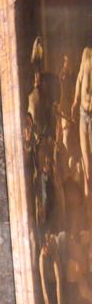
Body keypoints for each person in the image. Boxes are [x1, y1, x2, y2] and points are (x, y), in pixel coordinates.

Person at [72, 46, 92, 197]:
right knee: (85, 156)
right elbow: (79, 81)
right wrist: (74, 101)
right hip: (83, 113)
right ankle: (87, 194)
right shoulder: (86, 58)